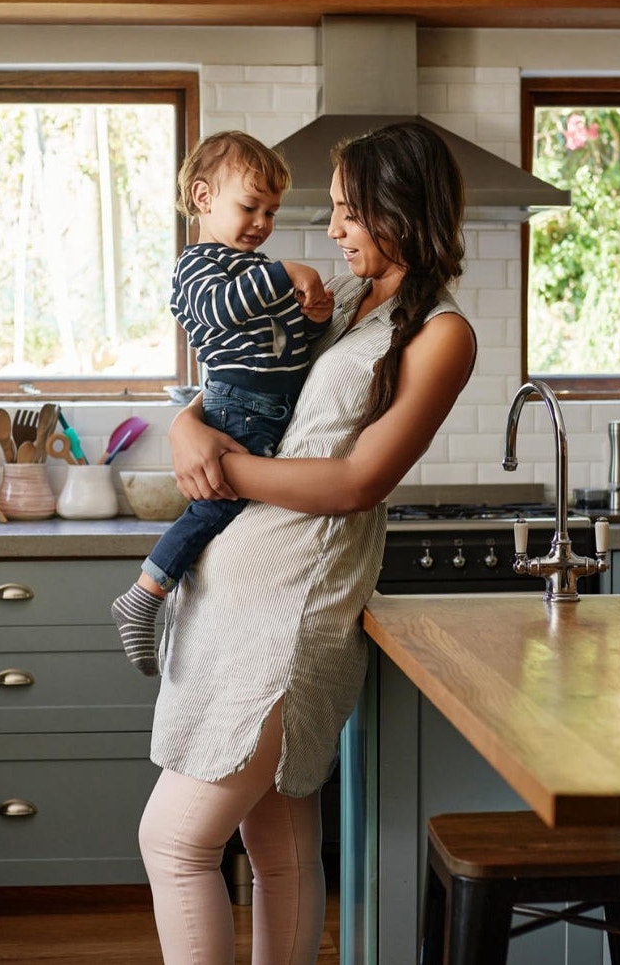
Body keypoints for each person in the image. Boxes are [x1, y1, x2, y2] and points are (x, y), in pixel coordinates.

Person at [137, 121, 476, 964]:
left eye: (347, 213)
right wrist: (188, 428)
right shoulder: (336, 299)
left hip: (290, 613)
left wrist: (226, 468)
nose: (330, 231)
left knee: (175, 845)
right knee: (279, 854)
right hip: (235, 599)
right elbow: (243, 385)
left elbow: (359, 481)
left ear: (398, 211)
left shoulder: (441, 333)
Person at [111, 131, 334, 676]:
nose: (261, 223)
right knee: (214, 506)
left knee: (236, 519)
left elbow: (287, 347)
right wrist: (287, 273)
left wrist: (314, 318)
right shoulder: (199, 267)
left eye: (271, 212)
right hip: (237, 408)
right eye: (249, 206)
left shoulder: (256, 273)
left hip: (267, 412)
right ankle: (144, 594)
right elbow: (219, 311)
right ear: (205, 198)